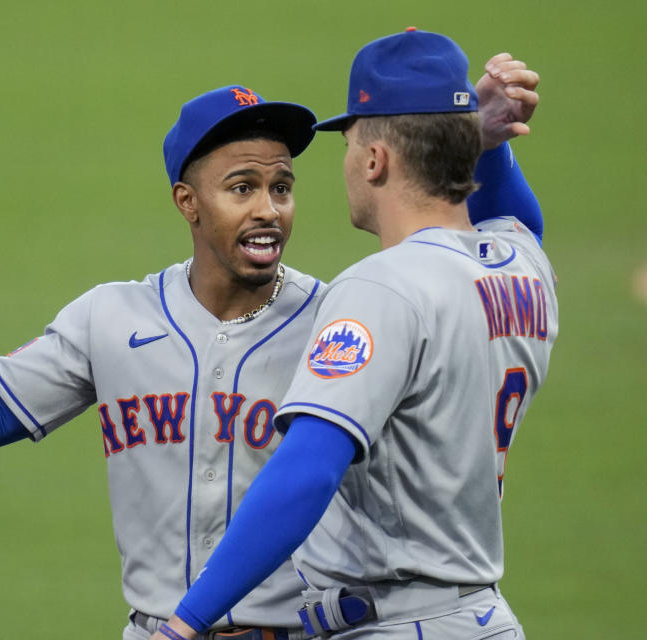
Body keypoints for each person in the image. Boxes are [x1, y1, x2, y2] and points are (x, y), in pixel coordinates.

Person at [0, 58, 541, 639]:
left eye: (282, 186)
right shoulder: (112, 317)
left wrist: (462, 144)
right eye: (242, 187)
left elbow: (468, 254)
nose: (268, 208)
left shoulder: (345, 321)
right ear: (188, 201)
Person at [149, 29, 554, 640]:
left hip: (402, 623)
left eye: (349, 140)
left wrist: (185, 623)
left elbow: (307, 470)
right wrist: (484, 144)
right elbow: (519, 218)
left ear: (374, 160)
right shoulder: (522, 266)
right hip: (482, 617)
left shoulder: (380, 289)